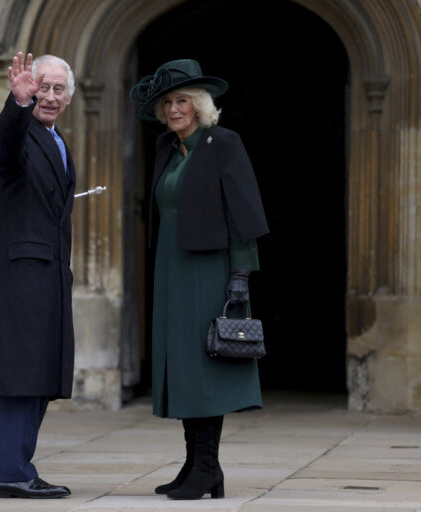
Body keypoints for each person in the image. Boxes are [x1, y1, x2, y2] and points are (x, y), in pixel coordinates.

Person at [129, 59, 269, 500]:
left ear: (201, 105)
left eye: (182, 100)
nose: (173, 109)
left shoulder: (223, 143)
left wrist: (240, 274)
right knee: (184, 368)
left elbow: (242, 212)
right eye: (167, 102)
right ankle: (196, 464)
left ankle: (206, 466)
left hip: (210, 269)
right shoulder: (168, 149)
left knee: (206, 369)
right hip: (172, 268)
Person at [0, 52, 76, 499]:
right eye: (41, 88)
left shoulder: (56, 138)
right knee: (23, 373)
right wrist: (15, 105)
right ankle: (13, 471)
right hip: (23, 274)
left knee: (38, 371)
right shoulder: (21, 132)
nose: (48, 97)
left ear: (69, 96)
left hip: (47, 274)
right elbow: (2, 150)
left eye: (57, 90)